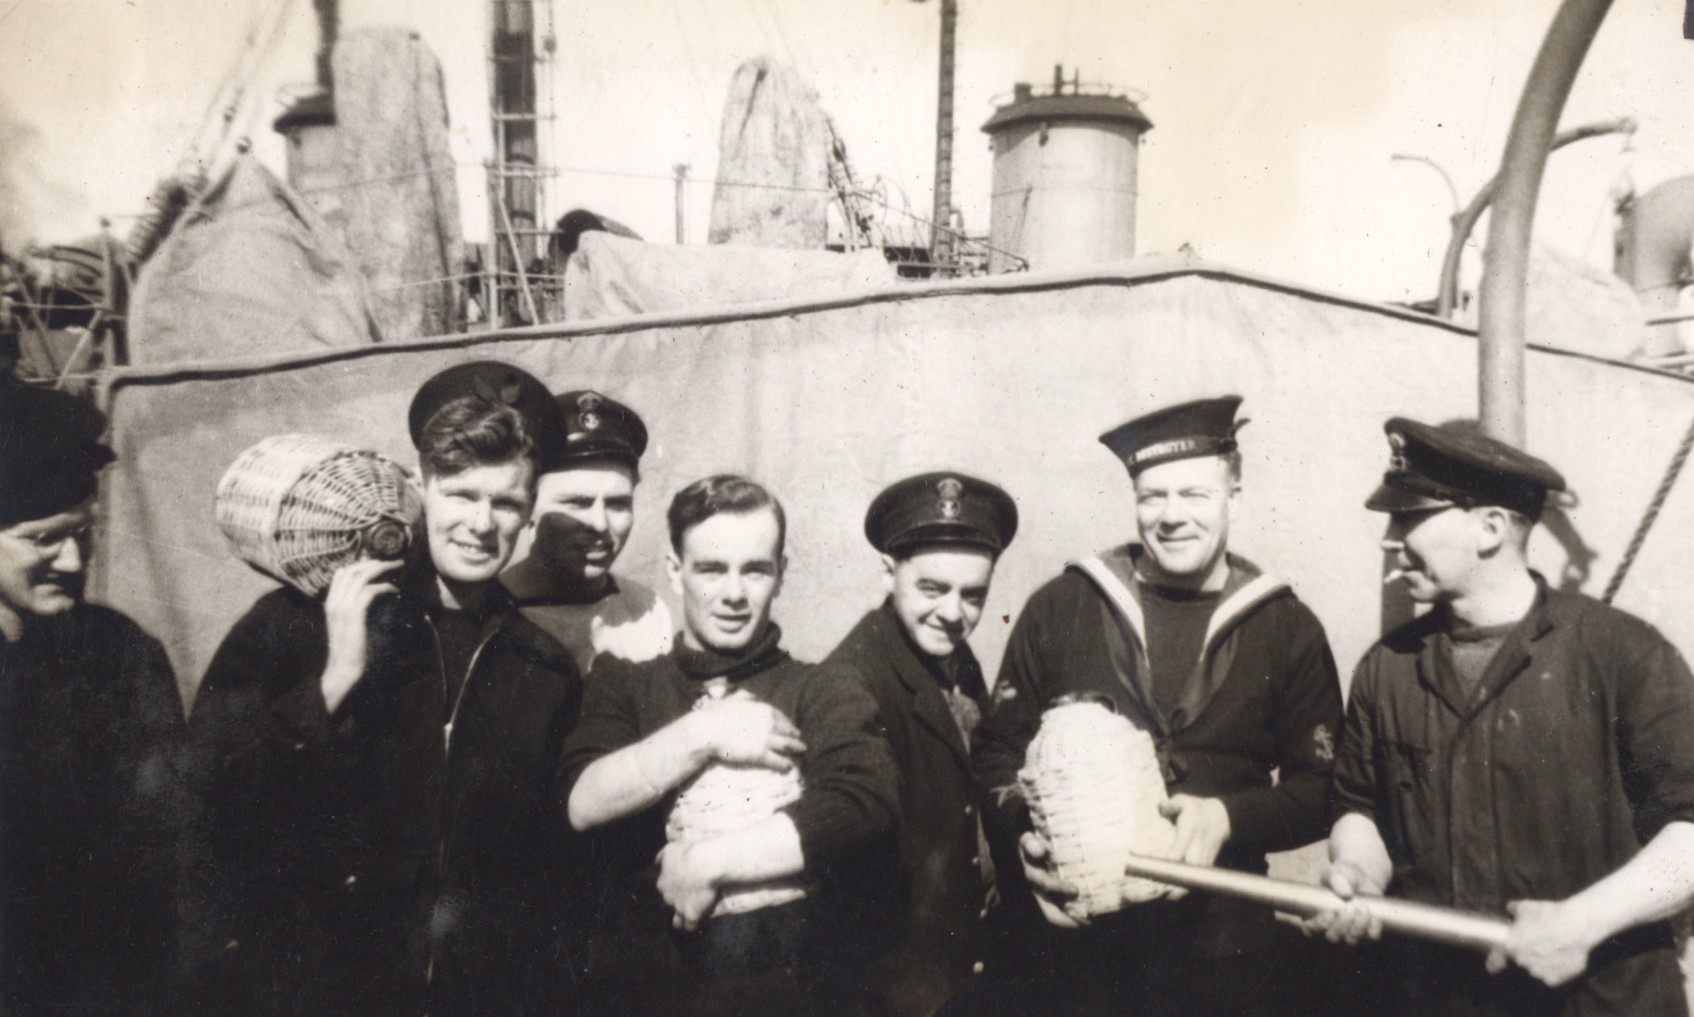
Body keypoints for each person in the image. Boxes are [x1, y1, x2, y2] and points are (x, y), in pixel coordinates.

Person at [183, 361, 585, 1017]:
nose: (482, 523)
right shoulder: (300, 619)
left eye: (506, 502)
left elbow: (545, 863)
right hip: (314, 989)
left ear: (530, 512)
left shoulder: (541, 665)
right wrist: (333, 683)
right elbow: (203, 792)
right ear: (421, 489)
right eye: (461, 494)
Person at [1308, 417, 1694, 1016]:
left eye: (1408, 518)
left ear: (1490, 529)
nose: (1389, 539)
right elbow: (1361, 806)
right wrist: (1358, 874)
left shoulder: (1624, 654)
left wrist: (1583, 922)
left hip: (1599, 1001)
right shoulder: (1387, 667)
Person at [973, 395, 1344, 1016]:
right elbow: (995, 749)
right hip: (1082, 955)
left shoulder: (1285, 625)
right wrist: (1024, 842)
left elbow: (1326, 786)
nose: (1172, 516)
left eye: (1194, 495)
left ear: (1233, 493)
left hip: (1226, 958)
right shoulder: (1063, 606)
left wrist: (1228, 818)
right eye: (1153, 497)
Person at [559, 474, 898, 1016]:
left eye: (755, 570)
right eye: (712, 569)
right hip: (646, 993)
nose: (734, 594)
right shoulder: (625, 683)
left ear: (781, 574)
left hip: (787, 992)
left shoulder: (823, 688)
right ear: (676, 570)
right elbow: (583, 800)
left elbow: (864, 804)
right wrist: (706, 733)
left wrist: (707, 863)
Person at [0, 379, 186, 1017]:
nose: (74, 562)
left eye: (83, 533)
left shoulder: (121, 652)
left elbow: (166, 836)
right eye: (43, 538)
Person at [823, 471, 1019, 1017]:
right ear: (889, 572)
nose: (954, 613)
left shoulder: (951, 654)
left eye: (974, 595)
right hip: (897, 990)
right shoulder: (851, 680)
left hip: (964, 971)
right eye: (932, 589)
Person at [504, 388, 672, 673]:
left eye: (618, 504)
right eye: (578, 503)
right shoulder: (492, 611)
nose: (600, 524)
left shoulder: (647, 611)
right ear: (528, 505)